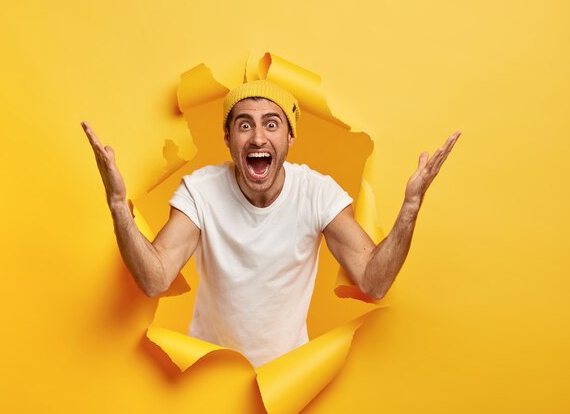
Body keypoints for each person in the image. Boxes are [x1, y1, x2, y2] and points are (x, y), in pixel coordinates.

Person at [82, 80, 460, 367]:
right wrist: (117, 205)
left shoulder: (317, 192)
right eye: (244, 126)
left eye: (272, 124)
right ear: (228, 138)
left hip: (286, 379)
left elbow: (374, 281)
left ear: (290, 137)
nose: (258, 137)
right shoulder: (200, 191)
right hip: (210, 375)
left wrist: (410, 207)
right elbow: (155, 278)